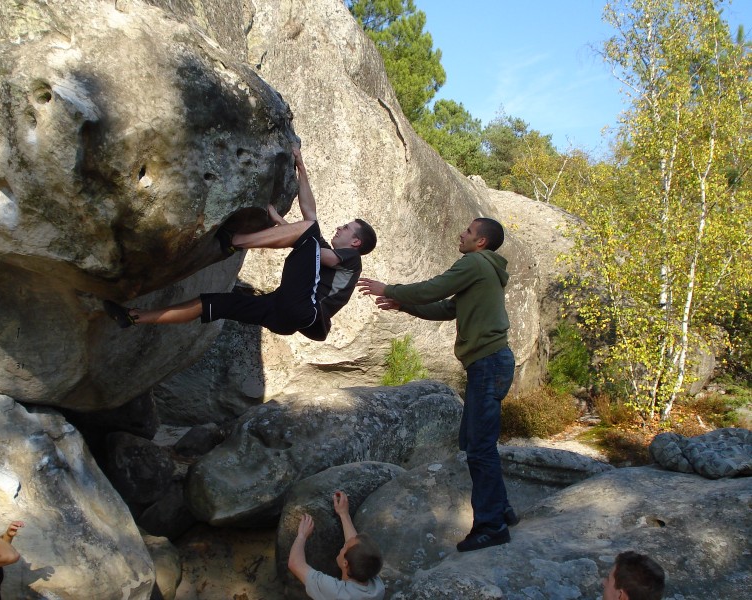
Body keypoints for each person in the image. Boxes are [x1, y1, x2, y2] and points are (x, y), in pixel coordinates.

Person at [356, 217, 517, 552]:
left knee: (480, 447)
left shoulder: (474, 262)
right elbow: (448, 307)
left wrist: (390, 289)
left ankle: (491, 525)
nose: (462, 233)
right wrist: (405, 305)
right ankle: (500, 508)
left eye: (469, 232)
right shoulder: (486, 270)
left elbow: (435, 288)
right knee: (476, 442)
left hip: (488, 363)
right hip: (489, 363)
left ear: (481, 242)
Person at [103, 147, 376, 342]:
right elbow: (310, 214)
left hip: (303, 311)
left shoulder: (352, 262)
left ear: (355, 241)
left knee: (309, 231)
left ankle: (234, 241)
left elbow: (316, 245)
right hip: (281, 313)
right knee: (210, 304)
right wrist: (300, 165)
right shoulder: (321, 250)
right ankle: (134, 317)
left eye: (347, 228)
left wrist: (280, 221)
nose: (340, 227)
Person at [288, 491, 385, 600]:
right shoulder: (377, 587)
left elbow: (295, 564)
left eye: (344, 547)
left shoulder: (336, 593)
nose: (344, 545)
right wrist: (344, 514)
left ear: (345, 563)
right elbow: (355, 551)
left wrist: (302, 536)